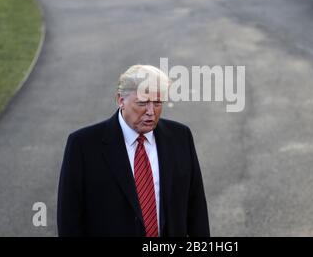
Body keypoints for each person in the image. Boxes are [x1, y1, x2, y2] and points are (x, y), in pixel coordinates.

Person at [57, 65, 210, 237]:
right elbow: (69, 219)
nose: (151, 112)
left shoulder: (180, 137)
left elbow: (196, 207)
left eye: (157, 103)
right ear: (120, 100)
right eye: (142, 103)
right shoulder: (83, 145)